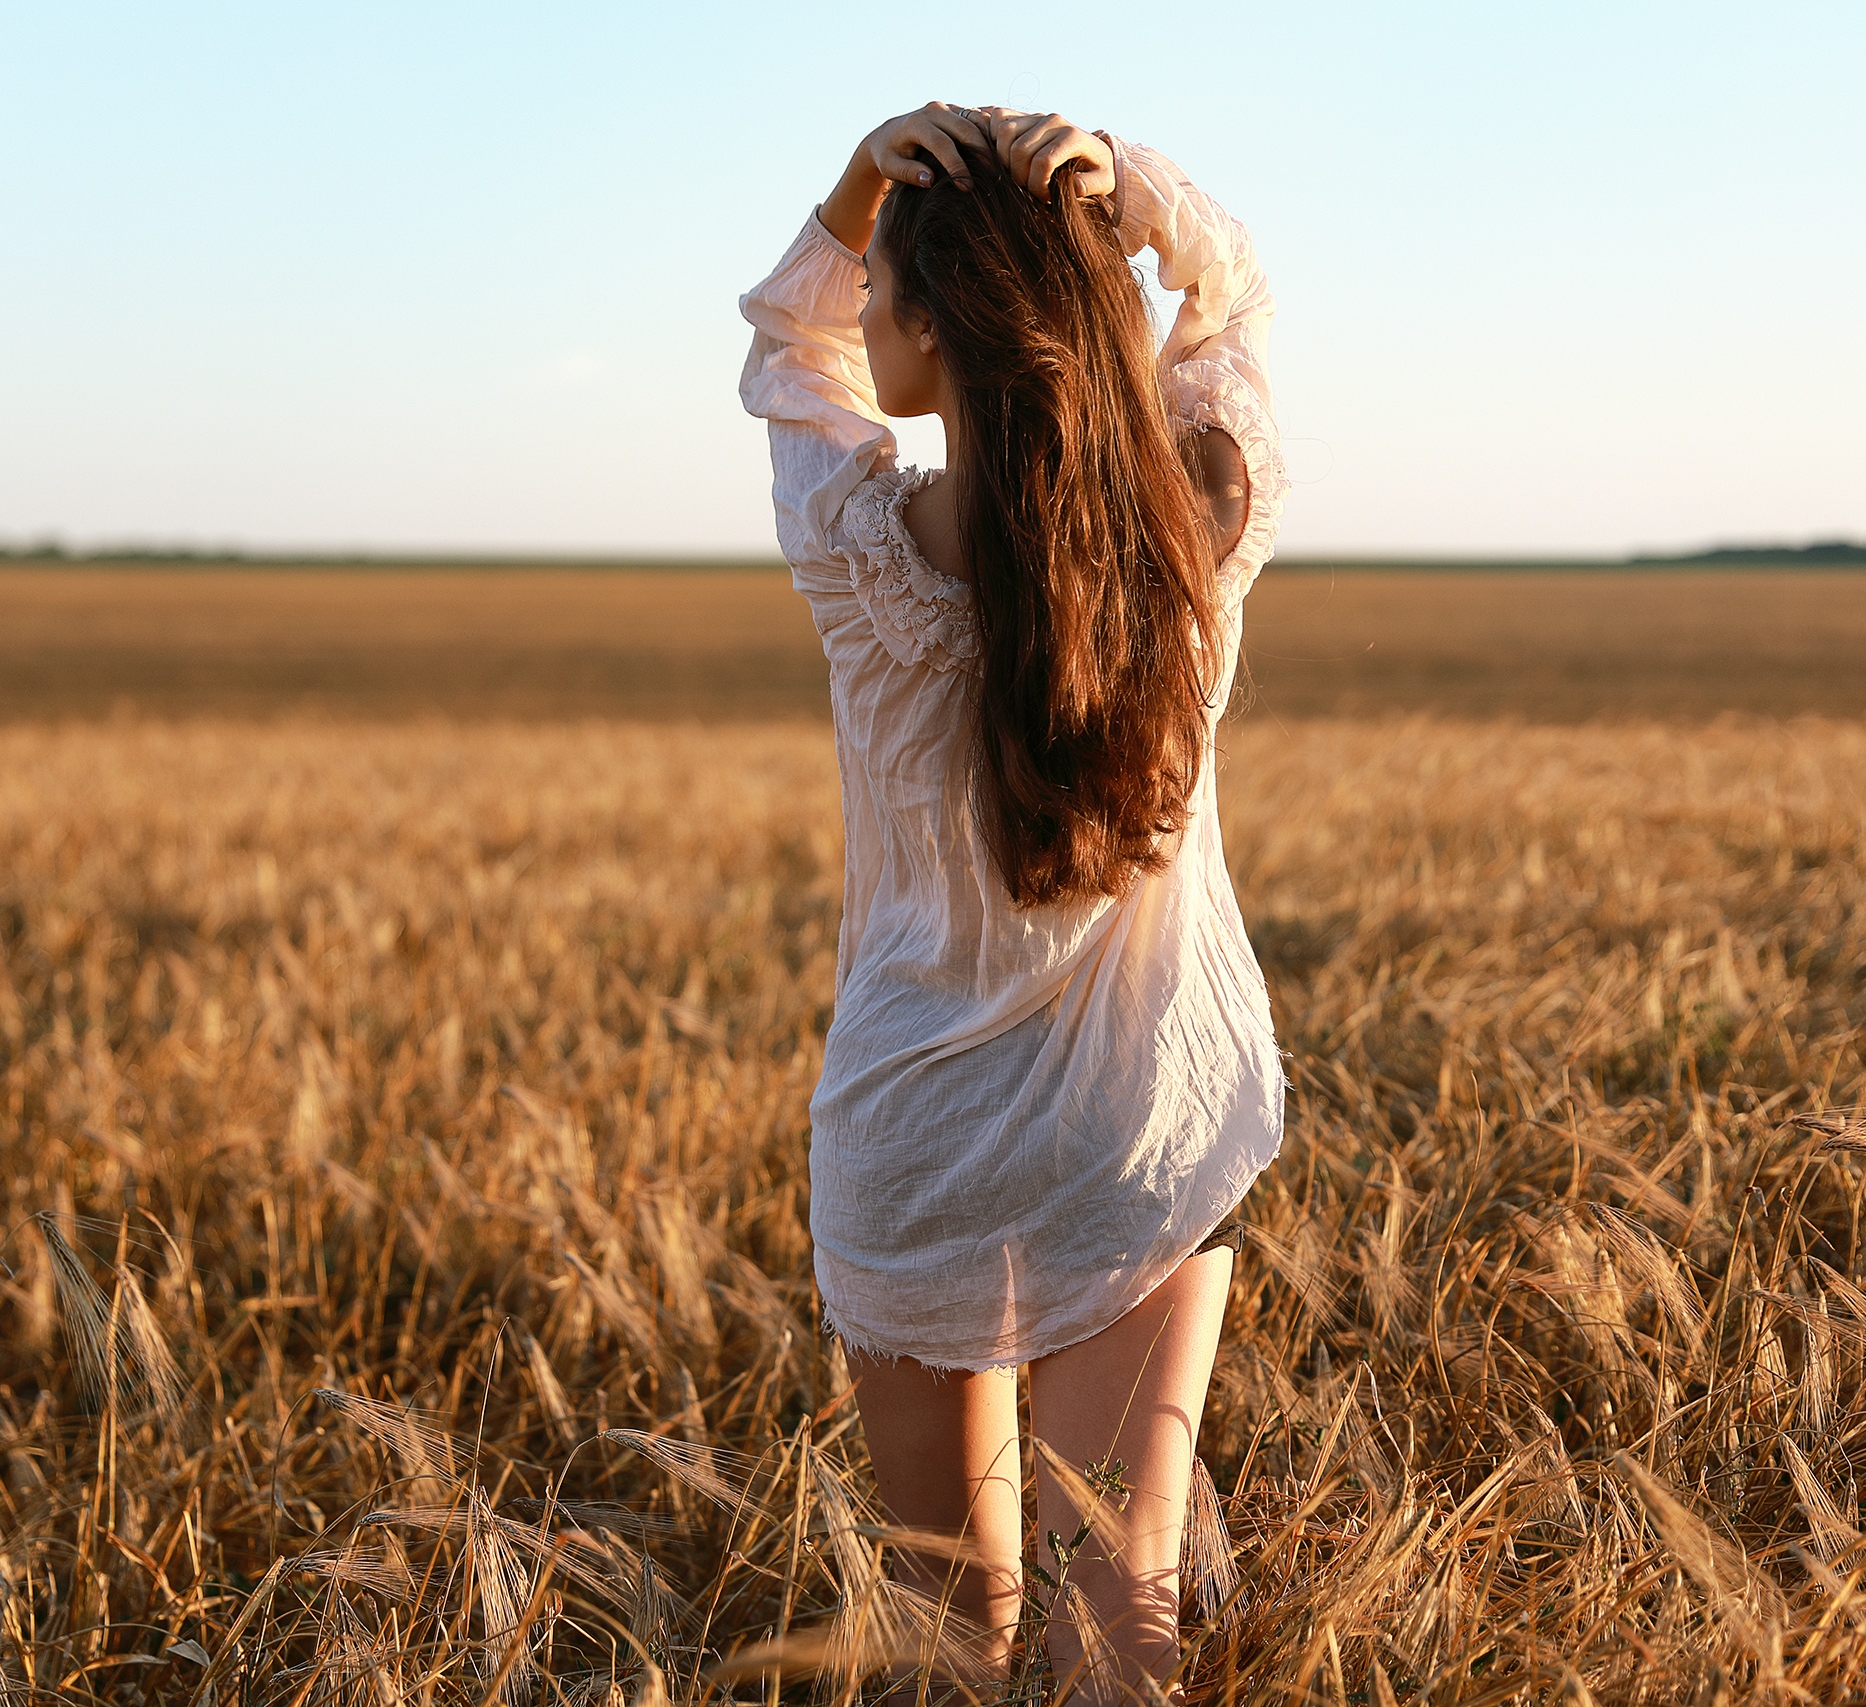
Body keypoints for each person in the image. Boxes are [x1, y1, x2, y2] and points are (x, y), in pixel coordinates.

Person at [737, 101, 1285, 1704]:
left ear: (920, 321)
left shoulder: (858, 553)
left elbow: (790, 354)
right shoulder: (1201, 532)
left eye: (891, 287)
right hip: (1136, 1134)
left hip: (912, 1139)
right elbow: (1234, 299)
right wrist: (1126, 193)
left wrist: (855, 189)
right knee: (1123, 1613)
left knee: (942, 1636)